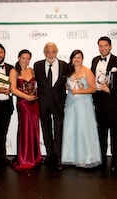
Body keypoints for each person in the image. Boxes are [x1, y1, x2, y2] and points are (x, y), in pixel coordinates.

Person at [91, 36, 117, 172]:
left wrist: (110, 89)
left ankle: (116, 159)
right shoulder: (95, 60)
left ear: (110, 46)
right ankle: (101, 158)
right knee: (101, 131)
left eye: (105, 45)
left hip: (113, 101)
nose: (103, 48)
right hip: (98, 101)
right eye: (100, 46)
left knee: (115, 133)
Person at [61, 50, 101, 168]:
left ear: (82, 59)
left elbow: (93, 89)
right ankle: (72, 156)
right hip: (71, 103)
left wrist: (79, 91)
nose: (77, 60)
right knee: (71, 129)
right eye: (74, 57)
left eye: (79, 57)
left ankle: (85, 157)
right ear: (71, 59)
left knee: (83, 129)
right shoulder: (69, 72)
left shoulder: (87, 71)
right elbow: (67, 86)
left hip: (84, 104)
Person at [33, 42, 68, 170]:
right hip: (43, 103)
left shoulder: (65, 66)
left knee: (59, 130)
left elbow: (70, 81)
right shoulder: (37, 65)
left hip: (59, 103)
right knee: (46, 129)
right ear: (44, 52)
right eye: (48, 52)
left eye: (53, 52)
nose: (50, 54)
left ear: (56, 52)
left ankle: (59, 156)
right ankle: (49, 154)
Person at [9, 49, 43, 171]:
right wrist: (27, 97)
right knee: (26, 129)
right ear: (19, 58)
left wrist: (34, 97)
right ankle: (25, 158)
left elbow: (34, 87)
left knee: (34, 128)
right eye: (23, 58)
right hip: (23, 103)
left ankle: (34, 157)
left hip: (34, 103)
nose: (25, 61)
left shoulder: (31, 70)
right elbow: (13, 89)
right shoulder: (14, 71)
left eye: (28, 58)